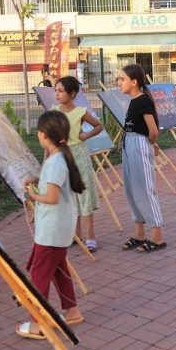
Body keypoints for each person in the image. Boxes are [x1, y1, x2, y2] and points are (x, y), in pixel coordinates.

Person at [17, 110, 85, 340]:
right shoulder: (59, 156)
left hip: (53, 229)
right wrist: (38, 181)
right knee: (57, 269)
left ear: (44, 134)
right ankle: (72, 310)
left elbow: (52, 197)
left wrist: (33, 195)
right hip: (58, 227)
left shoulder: (56, 160)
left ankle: (39, 324)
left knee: (39, 275)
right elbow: (54, 184)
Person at [117, 64, 167, 253]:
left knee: (145, 189)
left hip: (138, 145)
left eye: (122, 79)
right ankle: (139, 233)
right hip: (129, 145)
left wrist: (150, 143)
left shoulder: (142, 100)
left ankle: (157, 236)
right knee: (131, 190)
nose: (119, 82)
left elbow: (153, 130)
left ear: (134, 81)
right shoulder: (133, 101)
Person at [52, 76, 104, 253]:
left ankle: (90, 237)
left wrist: (86, 136)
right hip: (61, 156)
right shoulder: (53, 111)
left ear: (72, 94)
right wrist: (47, 159)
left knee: (84, 193)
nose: (56, 94)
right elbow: (50, 137)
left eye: (60, 91)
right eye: (55, 90)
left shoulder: (80, 111)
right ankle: (76, 234)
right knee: (68, 196)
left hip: (79, 155)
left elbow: (98, 126)